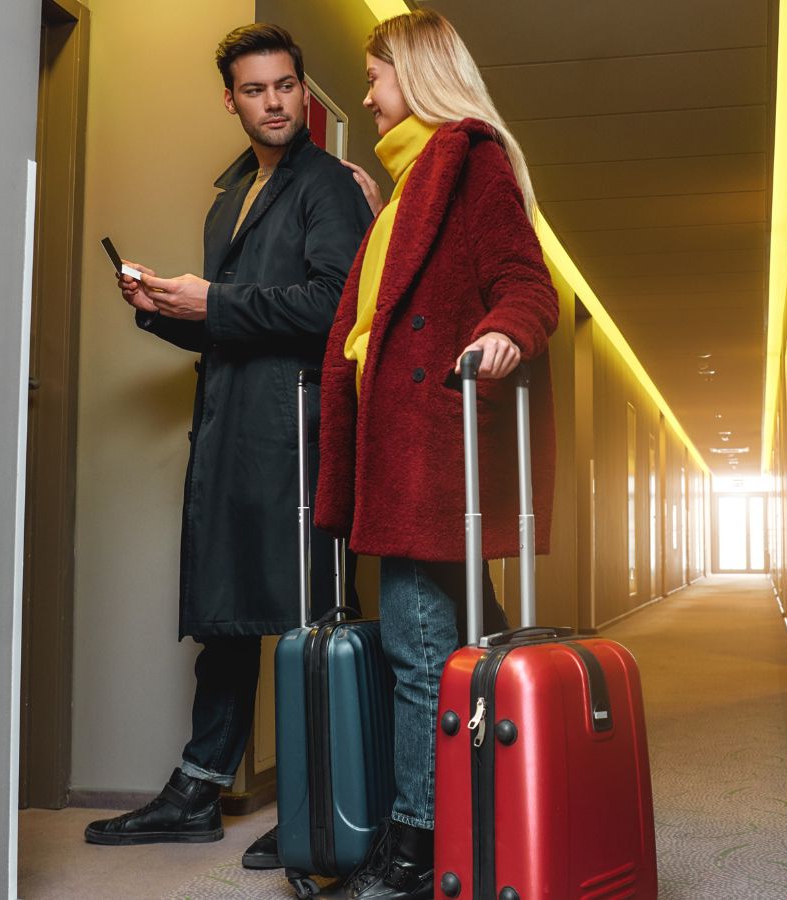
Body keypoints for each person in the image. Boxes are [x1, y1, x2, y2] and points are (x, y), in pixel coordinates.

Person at [84, 23, 372, 870]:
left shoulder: (328, 188)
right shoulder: (233, 194)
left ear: (302, 90)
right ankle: (199, 789)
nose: (274, 102)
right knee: (228, 616)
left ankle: (322, 800)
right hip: (230, 431)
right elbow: (233, 326)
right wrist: (163, 308)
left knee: (301, 615)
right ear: (232, 101)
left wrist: (213, 300)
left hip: (296, 429)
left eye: (285, 86)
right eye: (256, 90)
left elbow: (331, 308)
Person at [313, 10, 558, 900]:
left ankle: (416, 849)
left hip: (434, 452)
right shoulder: (412, 186)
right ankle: (468, 824)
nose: (368, 95)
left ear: (411, 75)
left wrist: (501, 334)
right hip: (408, 450)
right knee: (461, 652)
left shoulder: (469, 158)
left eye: (374, 76)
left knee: (420, 651)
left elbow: (527, 283)